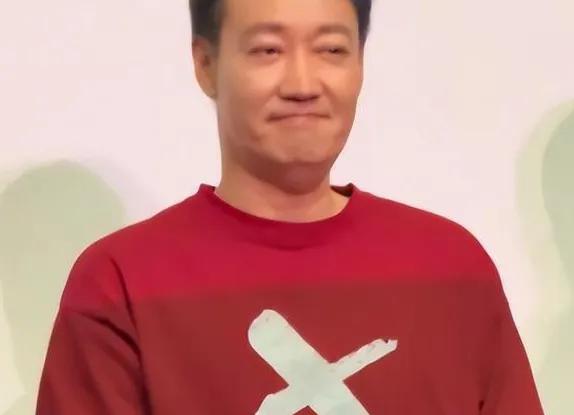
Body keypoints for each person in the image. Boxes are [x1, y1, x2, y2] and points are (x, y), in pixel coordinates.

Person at [36, 0, 545, 413]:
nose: (302, 84)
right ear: (205, 64)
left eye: (331, 49)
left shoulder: (452, 267)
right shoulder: (119, 282)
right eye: (268, 50)